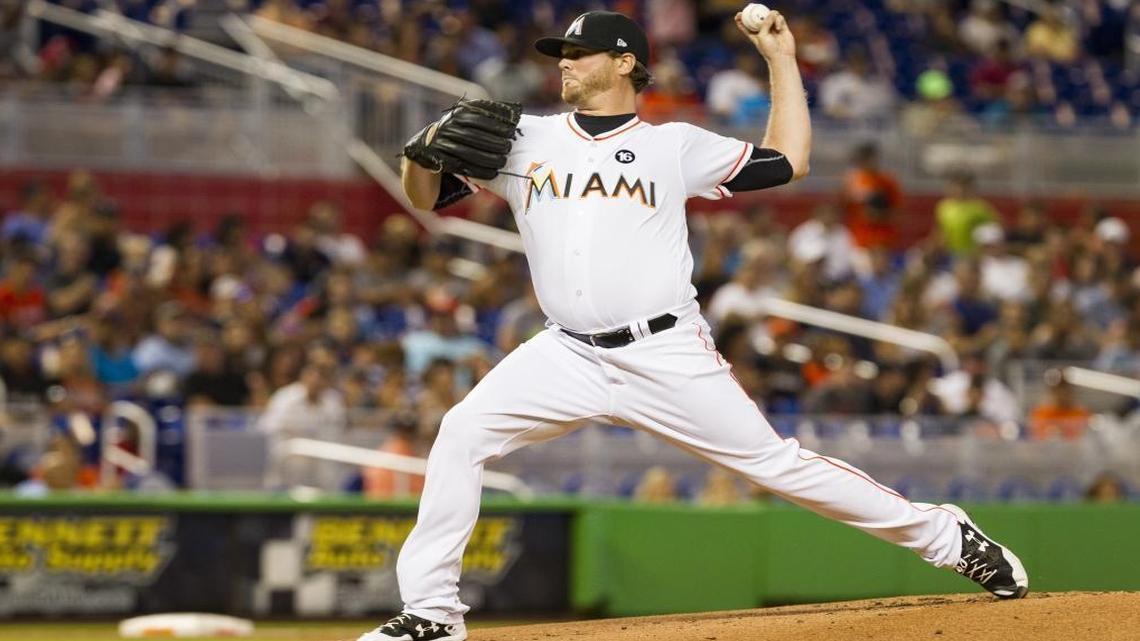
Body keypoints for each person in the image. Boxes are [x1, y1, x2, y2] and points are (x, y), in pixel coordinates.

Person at [361, 11, 1028, 641]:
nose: (564, 63)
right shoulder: (523, 137)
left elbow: (787, 161)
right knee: (461, 433)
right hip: (565, 353)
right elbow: (425, 201)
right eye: (560, 54)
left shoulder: (672, 145)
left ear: (624, 62)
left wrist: (781, 58)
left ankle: (947, 537)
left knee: (777, 466)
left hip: (663, 350)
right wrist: (420, 155)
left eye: (578, 52)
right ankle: (432, 614)